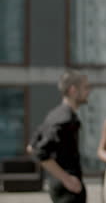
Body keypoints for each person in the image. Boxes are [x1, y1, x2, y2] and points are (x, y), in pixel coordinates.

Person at [27, 69, 91, 203]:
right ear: (73, 90)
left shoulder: (55, 114)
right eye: (86, 87)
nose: (88, 91)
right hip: (68, 189)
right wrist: (66, 179)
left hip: (63, 185)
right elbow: (39, 151)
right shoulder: (65, 119)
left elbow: (31, 146)